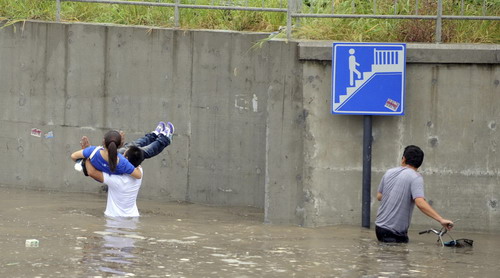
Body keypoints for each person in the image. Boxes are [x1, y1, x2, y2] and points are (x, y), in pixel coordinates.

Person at [76, 121, 174, 217]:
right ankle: (155, 136)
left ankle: (164, 139)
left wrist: (87, 154)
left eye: (123, 154)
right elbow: (135, 154)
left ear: (125, 159)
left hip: (113, 220)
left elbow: (92, 172)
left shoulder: (116, 180)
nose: (122, 154)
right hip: (133, 217)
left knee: (135, 148)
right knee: (134, 148)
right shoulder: (139, 170)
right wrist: (119, 145)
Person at [375, 145, 454, 243]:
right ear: (419, 163)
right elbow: (420, 203)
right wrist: (441, 219)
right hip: (393, 231)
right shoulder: (416, 177)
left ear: (403, 159)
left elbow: (379, 196)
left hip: (379, 228)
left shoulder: (389, 172)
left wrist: (399, 196)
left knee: (386, 255)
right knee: (398, 257)